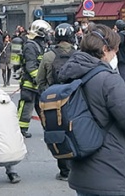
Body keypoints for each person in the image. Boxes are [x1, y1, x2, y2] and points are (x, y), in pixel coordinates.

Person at [56, 23, 125, 196]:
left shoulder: (70, 73)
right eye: (115, 50)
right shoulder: (107, 79)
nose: (116, 54)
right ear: (105, 49)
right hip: (109, 172)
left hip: (81, 169)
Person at [36, 23, 76, 181]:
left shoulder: (48, 55)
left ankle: (64, 171)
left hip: (54, 101)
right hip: (73, 99)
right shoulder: (78, 54)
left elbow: (40, 80)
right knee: (75, 132)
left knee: (58, 134)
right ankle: (77, 167)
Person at [18, 20, 52, 138]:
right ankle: (21, 129)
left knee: (42, 107)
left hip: (38, 84)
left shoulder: (41, 45)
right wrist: (39, 79)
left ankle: (48, 128)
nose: (48, 34)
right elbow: (31, 66)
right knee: (26, 106)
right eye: (46, 32)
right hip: (30, 83)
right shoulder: (30, 46)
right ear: (40, 32)